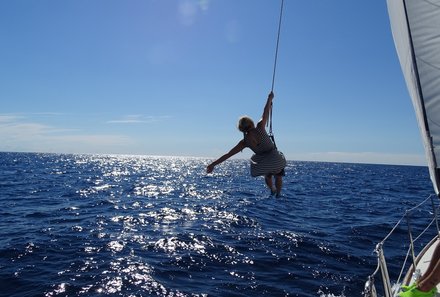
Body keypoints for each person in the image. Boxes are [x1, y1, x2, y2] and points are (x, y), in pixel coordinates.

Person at [206, 91, 287, 197]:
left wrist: (212, 165)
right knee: (279, 176)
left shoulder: (244, 142)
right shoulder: (260, 127)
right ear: (251, 122)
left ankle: (272, 189)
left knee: (267, 176)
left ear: (241, 129)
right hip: (275, 159)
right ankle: (279, 193)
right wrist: (270, 99)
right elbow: (265, 112)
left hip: (264, 163)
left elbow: (228, 155)